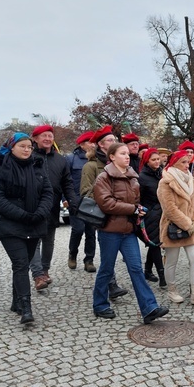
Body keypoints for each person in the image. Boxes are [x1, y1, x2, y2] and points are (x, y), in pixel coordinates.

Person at [91, 142, 170, 323]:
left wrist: (139, 209)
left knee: (136, 268)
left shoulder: (133, 177)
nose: (127, 157)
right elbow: (106, 203)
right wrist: (134, 209)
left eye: (128, 154)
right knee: (106, 268)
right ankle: (100, 304)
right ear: (112, 156)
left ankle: (149, 308)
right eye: (123, 154)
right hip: (110, 231)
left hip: (128, 231)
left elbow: (136, 201)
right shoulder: (104, 178)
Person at [0, 133, 54, 324]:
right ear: (12, 147)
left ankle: (16, 302)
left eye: (29, 147)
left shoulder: (37, 165)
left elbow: (48, 192)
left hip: (34, 222)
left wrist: (40, 212)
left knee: (23, 263)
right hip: (10, 224)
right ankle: (26, 307)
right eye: (22, 146)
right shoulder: (0, 166)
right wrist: (21, 215)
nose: (26, 150)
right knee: (20, 263)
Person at [81, 125, 129, 299]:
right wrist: (106, 198)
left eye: (114, 140)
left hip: (121, 215)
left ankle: (112, 285)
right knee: (107, 255)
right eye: (110, 140)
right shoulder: (91, 166)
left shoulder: (120, 164)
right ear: (101, 145)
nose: (114, 142)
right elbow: (86, 192)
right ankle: (110, 286)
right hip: (103, 215)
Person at [29, 125, 79, 290]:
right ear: (35, 139)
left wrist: (72, 199)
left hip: (52, 206)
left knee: (48, 240)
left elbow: (67, 182)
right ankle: (37, 275)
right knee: (34, 241)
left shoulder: (60, 159)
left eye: (50, 136)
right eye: (44, 136)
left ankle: (45, 270)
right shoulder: (29, 157)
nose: (48, 139)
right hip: (33, 206)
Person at [157, 150, 194, 306]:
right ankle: (172, 290)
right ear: (174, 163)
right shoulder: (166, 181)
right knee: (171, 260)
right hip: (173, 226)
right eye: (183, 162)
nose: (187, 165)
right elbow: (169, 208)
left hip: (191, 227)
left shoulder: (192, 181)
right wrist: (187, 224)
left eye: (188, 162)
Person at [66, 131, 97, 272]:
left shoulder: (96, 160)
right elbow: (65, 181)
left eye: (93, 142)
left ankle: (89, 260)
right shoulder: (71, 159)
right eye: (90, 142)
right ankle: (73, 253)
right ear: (82, 144)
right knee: (78, 229)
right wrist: (65, 199)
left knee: (91, 232)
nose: (93, 144)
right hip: (76, 201)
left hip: (93, 201)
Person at [137, 147, 166, 287]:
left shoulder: (161, 173)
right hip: (149, 214)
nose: (156, 162)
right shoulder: (142, 177)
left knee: (154, 243)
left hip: (161, 213)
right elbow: (138, 197)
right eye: (153, 160)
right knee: (155, 244)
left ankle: (148, 270)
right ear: (147, 161)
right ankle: (162, 276)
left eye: (158, 159)